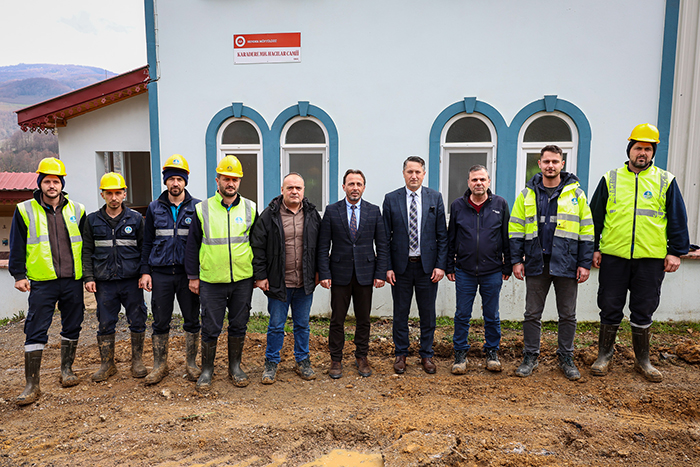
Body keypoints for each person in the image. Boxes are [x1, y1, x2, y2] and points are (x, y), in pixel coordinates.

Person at [589, 123, 689, 382]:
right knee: (609, 306)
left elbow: (677, 219)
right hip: (614, 257)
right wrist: (594, 248)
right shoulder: (610, 178)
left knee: (644, 309)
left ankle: (642, 360)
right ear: (629, 150)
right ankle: (604, 356)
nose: (642, 153)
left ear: (653, 152)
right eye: (638, 148)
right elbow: (594, 218)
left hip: (650, 258)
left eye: (647, 149)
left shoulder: (665, 181)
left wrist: (676, 252)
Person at [509, 145, 594, 380]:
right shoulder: (526, 194)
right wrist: (516, 260)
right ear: (539, 164)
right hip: (536, 262)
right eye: (546, 161)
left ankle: (566, 357)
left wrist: (584, 263)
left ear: (562, 164)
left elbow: (587, 231)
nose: (550, 166)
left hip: (566, 262)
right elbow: (515, 229)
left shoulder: (577, 194)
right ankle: (530, 356)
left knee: (567, 315)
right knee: (531, 314)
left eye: (555, 162)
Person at [9, 157, 86, 405]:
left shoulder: (77, 210)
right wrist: (18, 275)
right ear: (40, 183)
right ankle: (32, 385)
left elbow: (86, 247)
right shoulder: (25, 210)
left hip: (72, 280)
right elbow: (17, 244)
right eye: (47, 181)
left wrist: (88, 275)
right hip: (42, 281)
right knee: (35, 329)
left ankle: (67, 370)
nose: (52, 186)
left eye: (56, 181)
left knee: (72, 325)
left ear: (62, 184)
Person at [185, 155, 257, 391]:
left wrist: (258, 274)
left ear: (239, 181)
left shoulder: (250, 208)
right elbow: (192, 245)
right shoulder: (203, 209)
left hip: (242, 279)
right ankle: (207, 370)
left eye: (235, 179)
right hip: (211, 280)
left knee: (239, 324)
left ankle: (235, 367)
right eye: (226, 179)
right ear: (217, 181)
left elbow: (257, 244)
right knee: (210, 326)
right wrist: (193, 276)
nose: (230, 183)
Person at [251, 173, 322, 384]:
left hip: (304, 282)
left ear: (303, 191)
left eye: (298, 188)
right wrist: (260, 276)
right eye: (290, 188)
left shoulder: (312, 215)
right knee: (275, 326)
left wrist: (320, 272)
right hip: (277, 282)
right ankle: (271, 363)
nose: (294, 191)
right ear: (282, 190)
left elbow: (320, 246)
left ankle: (302, 361)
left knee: (302, 325)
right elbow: (258, 247)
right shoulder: (269, 215)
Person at [318, 169, 388, 379]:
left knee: (363, 319)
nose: (355, 188)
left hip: (366, 274)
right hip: (339, 274)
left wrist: (380, 273)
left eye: (358, 184)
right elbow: (323, 246)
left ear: (364, 187)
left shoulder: (373, 211)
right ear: (344, 187)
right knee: (337, 319)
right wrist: (324, 273)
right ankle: (336, 359)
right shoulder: (332, 211)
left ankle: (362, 356)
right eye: (351, 184)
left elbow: (382, 245)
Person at [139, 154, 201, 385]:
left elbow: (202, 243)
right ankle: (160, 365)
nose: (175, 183)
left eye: (180, 179)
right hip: (161, 274)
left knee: (192, 320)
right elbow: (147, 242)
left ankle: (192, 364)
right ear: (165, 181)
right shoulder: (154, 208)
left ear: (186, 181)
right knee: (160, 321)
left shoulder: (198, 207)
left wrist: (198, 274)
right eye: (172, 179)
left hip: (188, 275)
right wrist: (145, 271)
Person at [382, 156, 447, 374]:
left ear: (424, 174)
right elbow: (384, 238)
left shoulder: (435, 198)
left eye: (418, 172)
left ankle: (426, 354)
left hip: (427, 268)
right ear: (403, 174)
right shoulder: (391, 199)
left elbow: (442, 236)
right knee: (400, 313)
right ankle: (401, 354)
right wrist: (388, 267)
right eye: (410, 172)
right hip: (400, 268)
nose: (414, 176)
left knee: (427, 313)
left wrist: (440, 265)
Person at [446, 165, 511, 374]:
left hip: (492, 270)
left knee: (491, 315)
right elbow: (451, 238)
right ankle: (460, 354)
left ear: (489, 182)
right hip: (464, 270)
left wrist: (508, 264)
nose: (478, 183)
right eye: (474, 180)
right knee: (462, 314)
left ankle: (492, 352)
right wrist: (449, 265)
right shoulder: (458, 206)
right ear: (468, 183)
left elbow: (506, 236)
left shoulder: (500, 204)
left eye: (482, 179)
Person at [82, 172, 147, 383]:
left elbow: (144, 249)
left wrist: (144, 273)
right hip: (104, 282)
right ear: (102, 194)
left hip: (131, 280)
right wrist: (89, 277)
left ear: (124, 193)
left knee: (137, 319)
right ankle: (107, 364)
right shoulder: (92, 220)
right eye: (109, 193)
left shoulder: (135, 219)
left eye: (118, 193)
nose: (114, 197)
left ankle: (137, 361)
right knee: (105, 322)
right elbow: (86, 250)